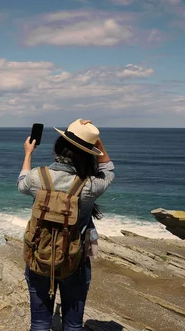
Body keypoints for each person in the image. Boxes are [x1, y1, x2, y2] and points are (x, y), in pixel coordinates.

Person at [17, 118, 115, 331]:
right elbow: (108, 170)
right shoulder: (89, 186)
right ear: (88, 154)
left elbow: (21, 183)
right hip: (74, 261)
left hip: (39, 258)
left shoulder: (38, 177)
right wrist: (96, 142)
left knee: (40, 323)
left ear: (59, 146)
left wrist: (28, 153)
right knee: (72, 324)